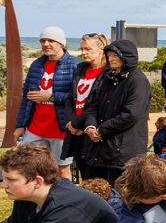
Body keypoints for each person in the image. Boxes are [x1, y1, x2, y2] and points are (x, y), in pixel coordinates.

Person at [71, 40, 151, 187]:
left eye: (115, 55)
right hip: (100, 150)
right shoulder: (109, 77)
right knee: (91, 191)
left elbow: (131, 115)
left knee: (120, 195)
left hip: (123, 153)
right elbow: (94, 106)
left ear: (126, 56)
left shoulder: (138, 81)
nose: (110, 59)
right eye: (109, 55)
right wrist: (90, 127)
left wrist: (101, 130)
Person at [16, 28, 78, 167]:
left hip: (61, 131)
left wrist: (51, 97)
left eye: (51, 40)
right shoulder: (36, 65)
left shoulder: (75, 65)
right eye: (43, 41)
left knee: (61, 170)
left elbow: (79, 98)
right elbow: (26, 97)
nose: (46, 44)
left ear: (61, 43)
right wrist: (20, 125)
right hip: (34, 130)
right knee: (28, 168)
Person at [63, 33, 109, 179]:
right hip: (76, 132)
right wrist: (72, 123)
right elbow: (70, 99)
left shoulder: (107, 73)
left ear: (101, 49)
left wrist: (79, 124)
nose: (83, 52)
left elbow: (98, 105)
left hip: (91, 130)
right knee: (84, 177)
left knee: (95, 179)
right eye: (82, 49)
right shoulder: (81, 69)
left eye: (88, 49)